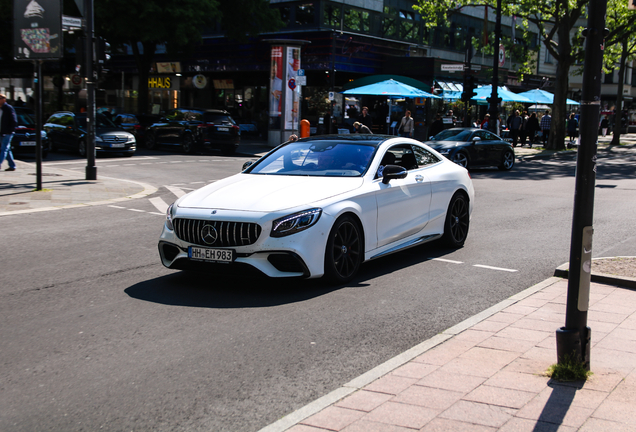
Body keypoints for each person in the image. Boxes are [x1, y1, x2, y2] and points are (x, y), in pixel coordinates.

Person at [0, 93, 18, 172]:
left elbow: (14, 121)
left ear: (4, 99)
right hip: (1, 132)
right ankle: (12, 165)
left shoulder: (8, 108)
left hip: (8, 132)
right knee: (7, 149)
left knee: (3, 148)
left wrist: (10, 131)